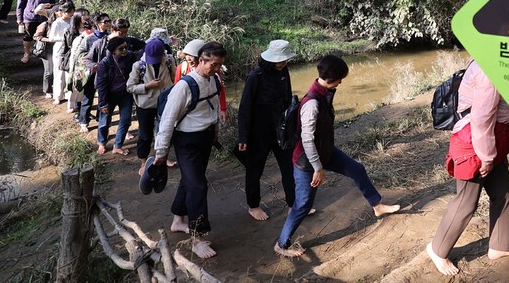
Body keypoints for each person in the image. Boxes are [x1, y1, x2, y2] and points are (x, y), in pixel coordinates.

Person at [275, 55, 400, 258]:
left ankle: (377, 206)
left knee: (356, 169)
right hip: (307, 161)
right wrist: (317, 167)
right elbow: (307, 140)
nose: (342, 81)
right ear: (333, 77)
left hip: (325, 151)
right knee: (303, 205)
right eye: (341, 77)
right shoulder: (312, 103)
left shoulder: (325, 92)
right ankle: (281, 244)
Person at [426, 58, 509, 275]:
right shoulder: (489, 71)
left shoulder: (498, 60)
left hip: (492, 141)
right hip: (474, 144)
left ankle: (499, 246)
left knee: (503, 191)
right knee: (466, 201)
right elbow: (481, 119)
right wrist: (486, 157)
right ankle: (438, 250)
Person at [152, 42, 228, 260]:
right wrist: (161, 152)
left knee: (189, 180)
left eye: (220, 65)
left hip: (205, 137)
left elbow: (212, 105)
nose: (216, 69)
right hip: (186, 141)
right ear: (201, 60)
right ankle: (198, 237)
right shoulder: (184, 86)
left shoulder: (214, 79)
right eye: (213, 64)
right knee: (198, 184)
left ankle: (178, 220)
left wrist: (215, 130)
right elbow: (167, 121)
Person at [238, 39, 298, 221]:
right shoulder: (255, 77)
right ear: (271, 59)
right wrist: (243, 136)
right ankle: (253, 206)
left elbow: (288, 97)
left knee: (289, 166)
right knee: (255, 168)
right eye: (281, 60)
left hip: (281, 130)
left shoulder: (284, 71)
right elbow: (245, 108)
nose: (284, 63)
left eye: (285, 60)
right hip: (259, 132)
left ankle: (293, 204)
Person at [127, 35, 173, 175]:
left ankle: (163, 157)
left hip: (164, 104)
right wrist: (147, 86)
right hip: (145, 105)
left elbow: (175, 78)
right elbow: (130, 87)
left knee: (164, 133)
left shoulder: (169, 61)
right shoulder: (139, 66)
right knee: (145, 135)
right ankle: (143, 162)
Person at [96, 36, 141, 156]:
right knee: (104, 121)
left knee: (125, 120)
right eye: (121, 49)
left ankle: (117, 146)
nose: (125, 50)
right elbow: (101, 86)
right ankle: (102, 142)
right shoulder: (104, 64)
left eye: (126, 47)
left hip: (125, 94)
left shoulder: (130, 57)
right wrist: (103, 103)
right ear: (113, 50)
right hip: (109, 95)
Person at [174, 38, 228, 125]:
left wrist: (223, 108)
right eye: (187, 55)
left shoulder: (212, 70)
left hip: (205, 113)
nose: (188, 58)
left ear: (200, 58)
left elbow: (219, 88)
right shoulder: (182, 68)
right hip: (187, 115)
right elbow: (175, 90)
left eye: (191, 56)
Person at [16, 0, 55, 64]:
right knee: (28, 35)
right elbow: (20, 4)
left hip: (44, 17)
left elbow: (53, 3)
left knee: (44, 35)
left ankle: (41, 52)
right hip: (30, 16)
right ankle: (26, 54)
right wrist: (19, 17)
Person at [48, 1, 75, 106]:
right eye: (67, 12)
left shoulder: (73, 20)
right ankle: (57, 96)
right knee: (59, 73)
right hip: (60, 49)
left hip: (71, 49)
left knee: (69, 73)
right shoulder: (58, 22)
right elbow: (51, 37)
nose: (69, 14)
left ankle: (69, 96)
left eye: (71, 11)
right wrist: (65, 38)